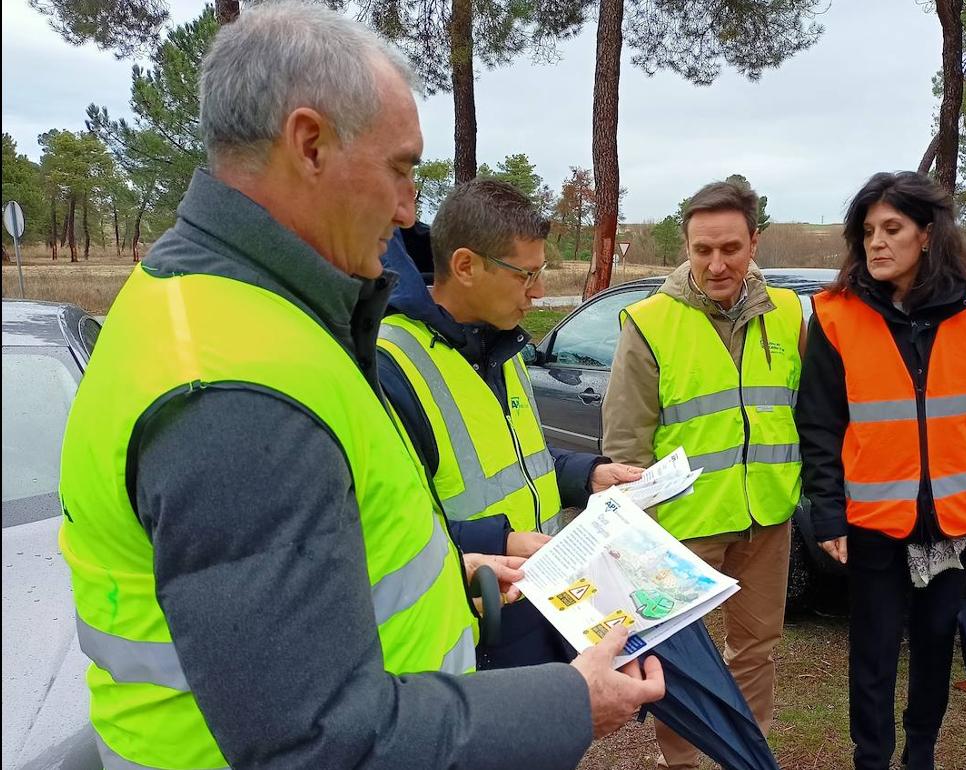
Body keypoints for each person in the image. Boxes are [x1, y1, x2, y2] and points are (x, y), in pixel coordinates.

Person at [56, 5, 662, 768]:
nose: (411, 208)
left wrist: (454, 567)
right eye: (401, 169)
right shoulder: (232, 390)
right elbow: (321, 740)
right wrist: (572, 703)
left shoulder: (239, 310)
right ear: (309, 144)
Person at [796, 171, 966, 770]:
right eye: (867, 232)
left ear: (928, 235)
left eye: (892, 229)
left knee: (937, 644)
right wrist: (828, 509)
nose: (876, 244)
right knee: (875, 651)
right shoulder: (836, 316)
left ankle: (921, 756)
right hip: (876, 519)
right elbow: (819, 425)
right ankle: (872, 758)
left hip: (957, 520)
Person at [376, 179, 644, 668]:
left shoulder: (503, 346)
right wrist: (493, 542)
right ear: (464, 266)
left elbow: (519, 463)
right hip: (474, 632)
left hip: (542, 610)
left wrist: (584, 475)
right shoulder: (390, 363)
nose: (539, 293)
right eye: (527, 276)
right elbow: (379, 533)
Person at [602, 178, 805, 769]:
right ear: (686, 247)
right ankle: (683, 761)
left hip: (766, 519)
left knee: (757, 649)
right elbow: (625, 444)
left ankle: (746, 753)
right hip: (681, 529)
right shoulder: (648, 323)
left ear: (754, 243)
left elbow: (805, 411)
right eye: (702, 250)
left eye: (730, 249)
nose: (717, 264)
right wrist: (636, 536)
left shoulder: (789, 314)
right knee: (680, 662)